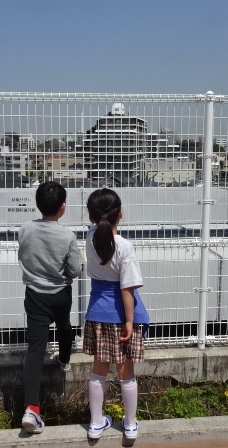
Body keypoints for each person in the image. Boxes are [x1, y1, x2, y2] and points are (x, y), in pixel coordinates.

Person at [83, 188, 149, 440]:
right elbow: (127, 289)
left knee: (98, 370)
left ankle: (95, 423)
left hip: (97, 312)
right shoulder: (124, 246)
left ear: (91, 217)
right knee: (125, 371)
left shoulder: (90, 238)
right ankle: (130, 425)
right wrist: (130, 321)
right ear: (120, 213)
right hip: (121, 316)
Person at [17, 181, 82, 434]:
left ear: (37, 204)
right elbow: (74, 270)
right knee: (64, 327)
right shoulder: (67, 236)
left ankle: (32, 408)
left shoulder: (25, 228)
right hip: (60, 293)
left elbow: (23, 255)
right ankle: (64, 360)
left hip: (35, 294)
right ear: (63, 207)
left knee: (36, 349)